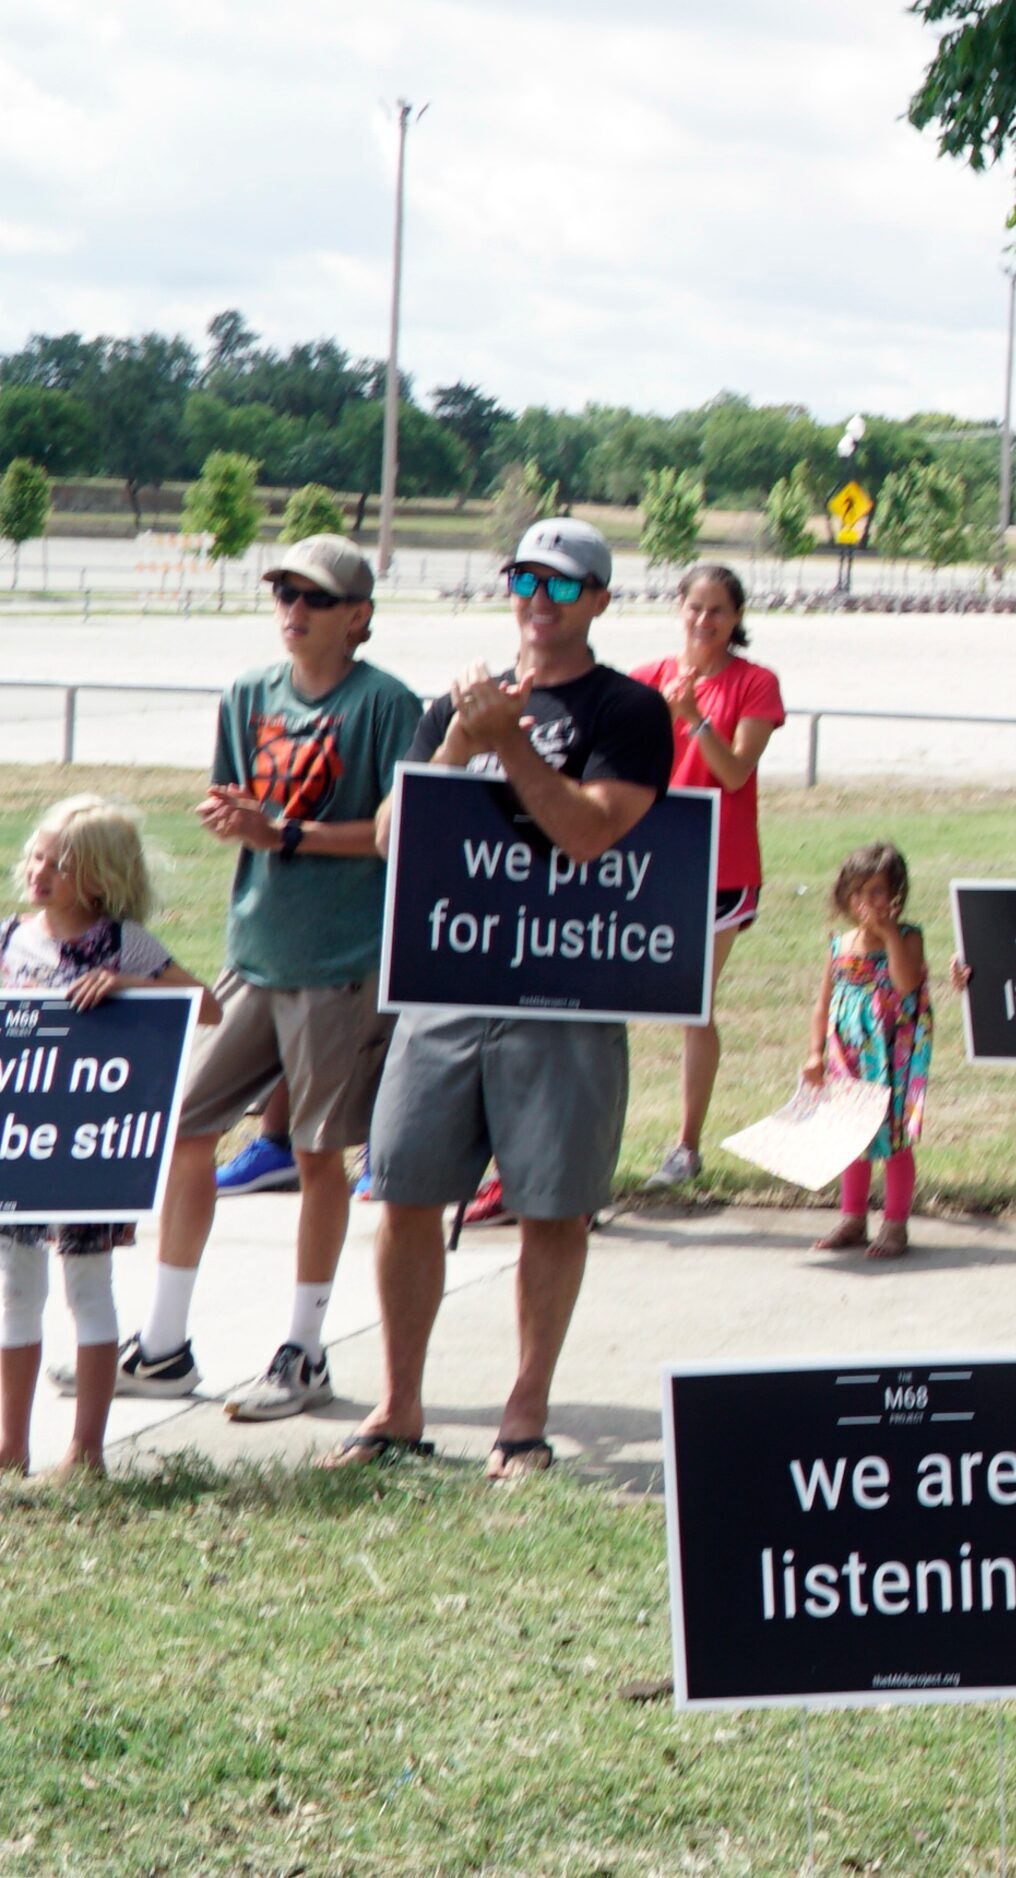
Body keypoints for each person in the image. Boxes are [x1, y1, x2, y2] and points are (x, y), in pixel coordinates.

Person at [341, 515, 674, 1482]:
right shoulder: (456, 704)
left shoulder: (627, 712)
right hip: (447, 984)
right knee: (402, 1191)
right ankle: (398, 1409)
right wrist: (459, 742)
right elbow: (393, 837)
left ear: (599, 601)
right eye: (525, 580)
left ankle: (523, 1418)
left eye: (562, 586)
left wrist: (512, 746)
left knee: (552, 1209)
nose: (539, 600)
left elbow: (587, 834)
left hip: (565, 990)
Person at [126, 534, 417, 1423]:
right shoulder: (249, 694)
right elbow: (234, 798)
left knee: (319, 1153)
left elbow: (393, 831)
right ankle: (165, 1343)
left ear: (357, 617)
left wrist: (283, 832)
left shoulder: (388, 707)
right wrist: (236, 819)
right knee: (186, 1126)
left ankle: (305, 1350)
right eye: (284, 593)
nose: (294, 611)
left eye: (315, 598)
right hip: (254, 952)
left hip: (340, 963)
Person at [4, 799, 207, 1479]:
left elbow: (206, 1004)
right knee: (15, 1294)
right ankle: (11, 1444)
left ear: (99, 876)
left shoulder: (127, 944)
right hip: (20, 1151)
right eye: (38, 855)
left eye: (61, 863)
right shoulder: (10, 940)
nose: (41, 871)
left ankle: (85, 1450)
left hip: (90, 1152)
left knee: (88, 1289)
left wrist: (129, 986)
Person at [629, 564, 784, 1189]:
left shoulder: (755, 684)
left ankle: (686, 1147)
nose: (704, 620)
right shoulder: (646, 680)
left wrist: (693, 717)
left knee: (693, 1002)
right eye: (695, 607)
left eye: (717, 610)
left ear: (736, 618)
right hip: (649, 862)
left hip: (721, 866)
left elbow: (736, 771)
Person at [798, 843, 932, 1260]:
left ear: (894, 895)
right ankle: (853, 1217)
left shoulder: (908, 938)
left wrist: (889, 933)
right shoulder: (840, 945)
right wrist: (815, 1053)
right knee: (849, 1135)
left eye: (876, 892)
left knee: (892, 1139)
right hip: (848, 1055)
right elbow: (823, 1003)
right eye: (857, 892)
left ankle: (895, 1224)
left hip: (892, 1055)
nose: (866, 902)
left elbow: (907, 983)